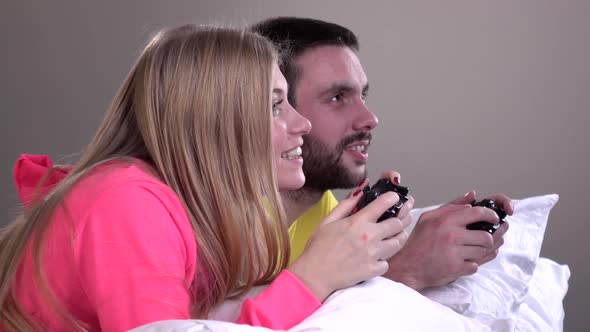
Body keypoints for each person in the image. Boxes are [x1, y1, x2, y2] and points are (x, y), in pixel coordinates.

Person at [1, 25, 406, 331]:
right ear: (215, 123)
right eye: (274, 106)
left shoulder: (200, 212)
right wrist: (312, 277)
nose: (301, 123)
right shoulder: (126, 202)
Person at [252, 17, 515, 290]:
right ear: (271, 107)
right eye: (337, 97)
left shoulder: (327, 214)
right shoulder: (219, 228)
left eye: (361, 96)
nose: (369, 118)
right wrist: (406, 271)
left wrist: (415, 247)